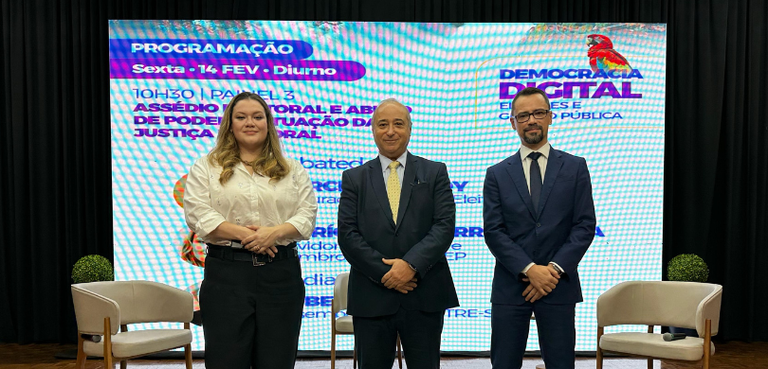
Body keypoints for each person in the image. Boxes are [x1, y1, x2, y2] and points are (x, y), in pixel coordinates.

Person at [184, 92, 318, 369]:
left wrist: (275, 233)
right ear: (229, 124)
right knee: (226, 361)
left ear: (268, 123)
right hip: (227, 277)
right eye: (241, 117)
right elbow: (198, 213)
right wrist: (247, 235)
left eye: (257, 117)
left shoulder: (292, 169)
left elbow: (307, 215)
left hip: (281, 276)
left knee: (277, 361)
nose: (250, 123)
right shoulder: (207, 166)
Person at [337, 98, 459, 369]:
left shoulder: (434, 171)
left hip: (424, 292)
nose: (390, 131)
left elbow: (444, 226)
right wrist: (387, 274)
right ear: (373, 130)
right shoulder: (354, 178)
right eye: (383, 124)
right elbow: (347, 234)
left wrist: (410, 266)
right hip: (372, 296)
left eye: (398, 124)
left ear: (410, 129)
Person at [483, 87, 596, 369]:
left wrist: (553, 270)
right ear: (513, 122)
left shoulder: (575, 167)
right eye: (523, 115)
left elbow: (584, 225)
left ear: (550, 117)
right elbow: (494, 231)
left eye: (538, 113)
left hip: (558, 287)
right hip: (511, 287)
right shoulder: (496, 173)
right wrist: (531, 270)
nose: (531, 120)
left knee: (560, 364)